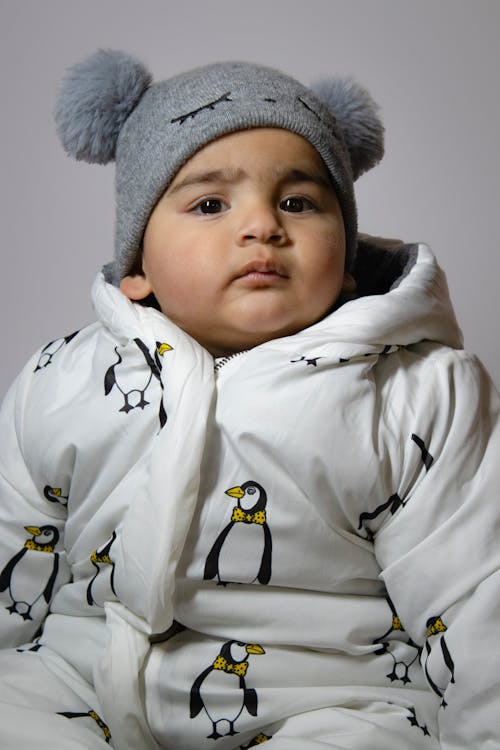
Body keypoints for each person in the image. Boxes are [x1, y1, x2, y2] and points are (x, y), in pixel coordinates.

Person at [0, 50, 499, 750]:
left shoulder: (416, 394)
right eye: (210, 204)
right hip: (83, 683)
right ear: (137, 269)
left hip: (331, 699)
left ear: (348, 262)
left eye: (297, 201)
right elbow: (15, 546)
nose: (262, 225)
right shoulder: (65, 378)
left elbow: (478, 593)